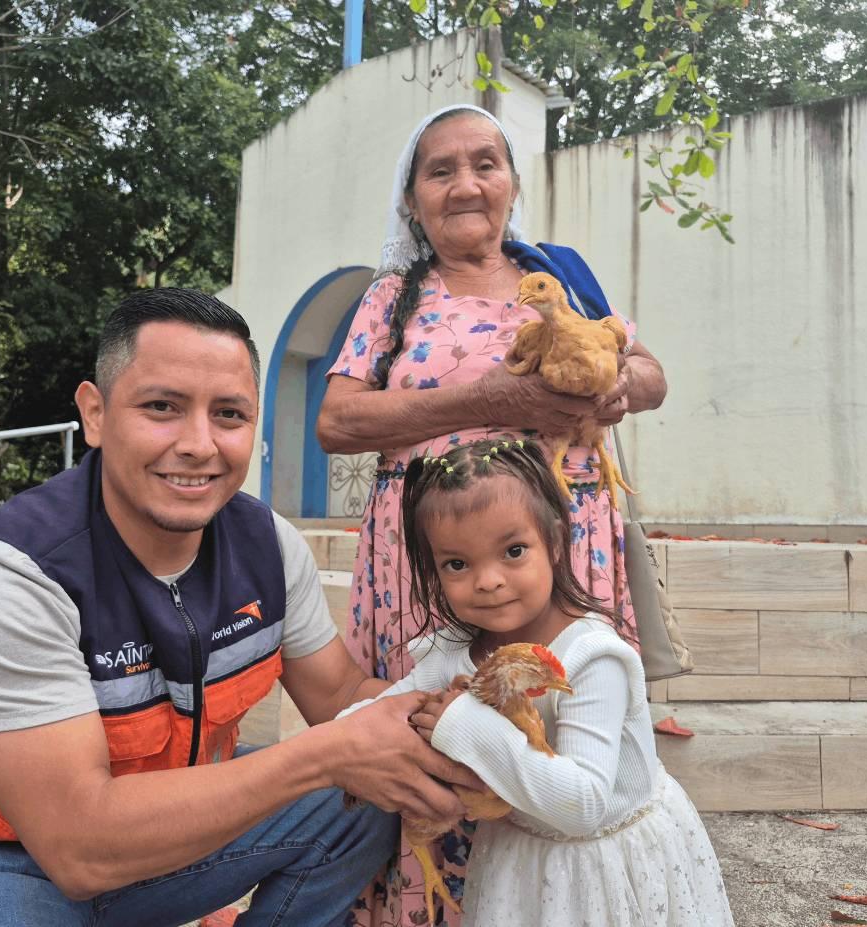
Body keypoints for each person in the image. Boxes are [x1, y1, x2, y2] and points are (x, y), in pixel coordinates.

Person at [0, 288, 486, 927]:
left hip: (166, 843)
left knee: (363, 798)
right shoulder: (8, 573)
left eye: (230, 415)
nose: (198, 444)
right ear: (95, 414)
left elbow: (345, 696)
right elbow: (79, 846)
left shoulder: (267, 547)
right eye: (162, 407)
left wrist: (473, 727)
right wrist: (326, 754)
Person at [316, 104, 668, 925]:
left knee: (554, 723)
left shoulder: (562, 276)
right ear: (412, 200)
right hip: (434, 554)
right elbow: (337, 421)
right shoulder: (392, 298)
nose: (466, 184)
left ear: (512, 183)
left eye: (485, 164)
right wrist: (487, 398)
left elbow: (650, 372)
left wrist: (618, 387)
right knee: (440, 721)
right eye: (441, 171)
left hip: (556, 544)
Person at [341, 440, 734, 927]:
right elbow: (382, 713)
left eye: (513, 551)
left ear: (554, 541)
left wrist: (463, 725)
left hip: (608, 862)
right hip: (518, 859)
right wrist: (334, 747)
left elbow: (584, 804)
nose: (487, 580)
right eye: (457, 564)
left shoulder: (590, 657)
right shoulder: (452, 651)